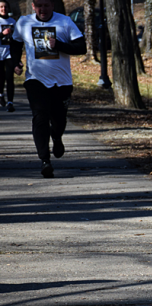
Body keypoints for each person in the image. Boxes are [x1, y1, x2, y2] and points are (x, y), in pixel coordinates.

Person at [10, 0, 85, 178]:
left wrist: (58, 45)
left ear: (53, 5)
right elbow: (15, 43)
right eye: (39, 5)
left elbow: (81, 47)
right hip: (36, 80)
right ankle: (45, 160)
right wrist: (16, 62)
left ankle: (57, 137)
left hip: (62, 82)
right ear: (33, 6)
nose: (42, 9)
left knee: (59, 121)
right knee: (40, 116)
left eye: (46, 5)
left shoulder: (65, 22)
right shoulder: (24, 22)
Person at [0, 0, 16, 111]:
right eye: (1, 7)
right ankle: (0, 95)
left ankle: (10, 102)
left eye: (5, 7)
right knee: (1, 77)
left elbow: (17, 39)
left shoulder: (13, 21)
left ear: (9, 8)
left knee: (10, 77)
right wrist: (2, 34)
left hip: (9, 53)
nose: (3, 9)